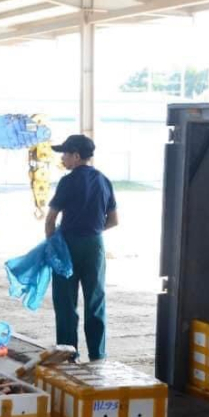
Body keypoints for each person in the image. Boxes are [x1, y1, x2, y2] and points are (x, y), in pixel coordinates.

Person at [45, 134, 118, 362]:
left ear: (76, 156)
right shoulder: (104, 180)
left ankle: (69, 355)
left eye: (65, 154)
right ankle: (98, 356)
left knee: (66, 303)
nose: (63, 159)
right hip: (95, 246)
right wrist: (92, 230)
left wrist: (53, 245)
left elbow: (50, 219)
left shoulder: (68, 181)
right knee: (95, 301)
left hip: (67, 245)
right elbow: (114, 220)